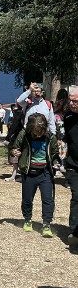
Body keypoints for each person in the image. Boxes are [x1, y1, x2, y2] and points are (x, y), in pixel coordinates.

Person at [10, 113, 58, 238]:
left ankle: (46, 224)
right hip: (29, 172)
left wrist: (56, 161)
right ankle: (27, 219)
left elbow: (54, 152)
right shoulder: (24, 134)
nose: (37, 135)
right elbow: (14, 146)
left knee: (48, 200)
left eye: (40, 132)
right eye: (35, 132)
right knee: (27, 199)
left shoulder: (50, 137)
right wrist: (15, 151)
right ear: (30, 128)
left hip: (45, 173)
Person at [61, 86, 78, 248]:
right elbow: (66, 138)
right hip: (74, 165)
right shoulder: (68, 117)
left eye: (75, 101)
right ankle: (74, 232)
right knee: (76, 196)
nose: (72, 104)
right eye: (70, 100)